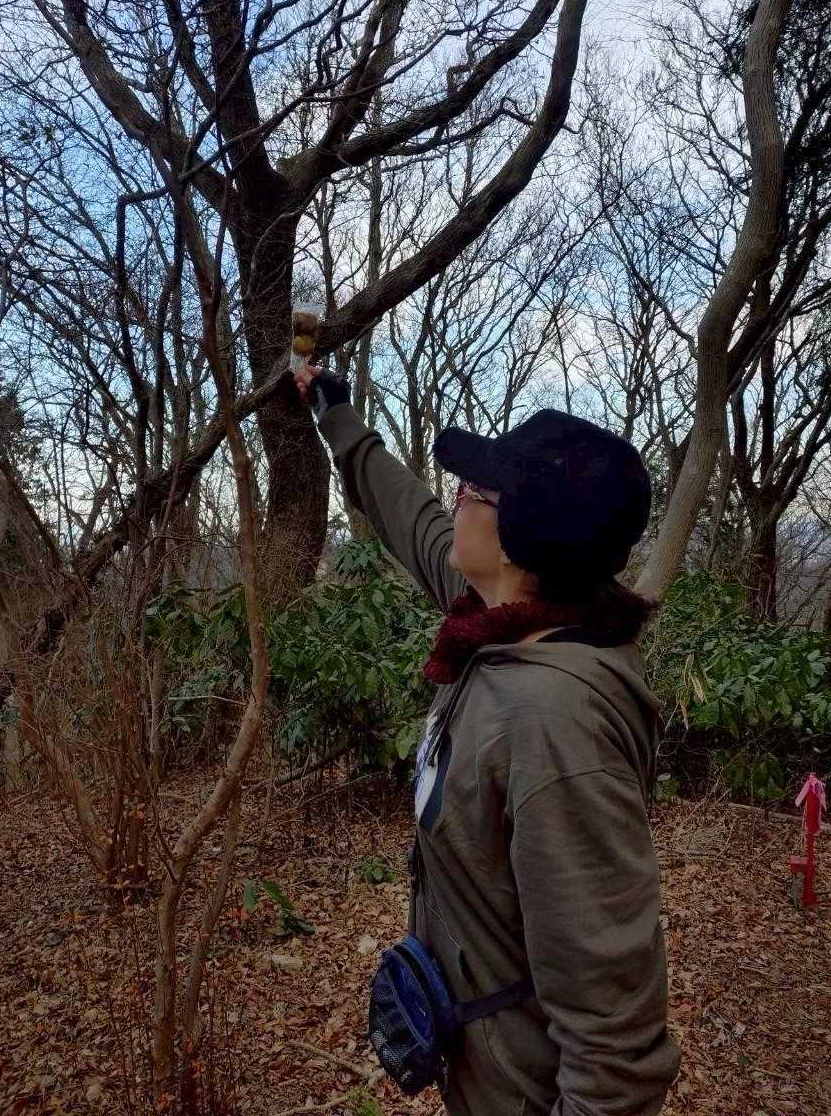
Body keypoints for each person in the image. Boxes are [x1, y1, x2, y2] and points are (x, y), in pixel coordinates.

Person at [295, 364, 680, 1116]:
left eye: (472, 490)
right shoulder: (502, 620)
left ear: (514, 540)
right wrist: (338, 419)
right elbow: (414, 521)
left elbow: (616, 1039)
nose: (454, 499)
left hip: (522, 1094)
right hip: (484, 1066)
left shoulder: (556, 724)